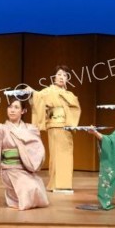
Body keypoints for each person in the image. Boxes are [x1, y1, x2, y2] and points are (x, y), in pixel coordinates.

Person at [0, 99, 49, 210]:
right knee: (28, 190)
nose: (12, 110)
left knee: (36, 189)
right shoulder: (2, 128)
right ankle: (15, 196)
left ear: (23, 111)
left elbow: (37, 147)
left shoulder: (30, 128)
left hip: (25, 168)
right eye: (10, 107)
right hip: (10, 169)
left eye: (16, 107)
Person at [27, 65, 80, 193]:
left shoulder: (70, 94)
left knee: (67, 155)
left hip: (66, 125)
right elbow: (37, 99)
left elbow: (76, 108)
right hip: (55, 125)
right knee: (57, 154)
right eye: (59, 74)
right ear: (54, 77)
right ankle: (57, 185)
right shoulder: (48, 91)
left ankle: (64, 184)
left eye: (65, 75)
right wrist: (31, 92)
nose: (62, 77)